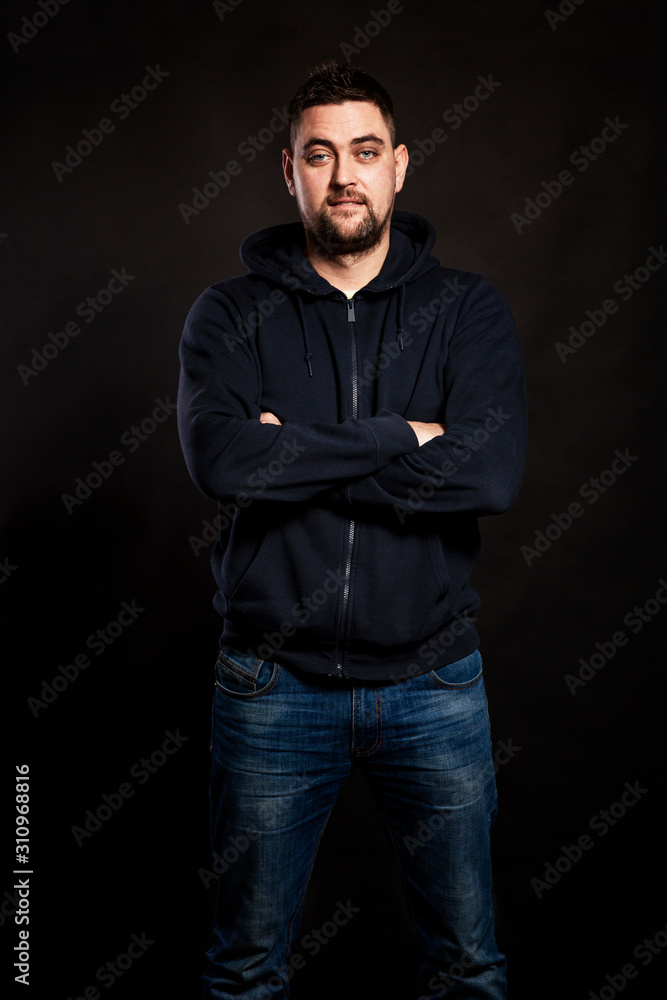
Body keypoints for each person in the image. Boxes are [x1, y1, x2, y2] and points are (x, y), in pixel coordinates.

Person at [178, 59, 526, 1000]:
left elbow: (488, 473)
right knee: (244, 971)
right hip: (271, 685)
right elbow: (224, 464)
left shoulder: (466, 310)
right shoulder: (229, 313)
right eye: (319, 154)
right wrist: (400, 436)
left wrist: (291, 451)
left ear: (398, 166)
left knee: (466, 966)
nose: (343, 176)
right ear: (287, 170)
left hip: (432, 684)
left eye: (364, 152)